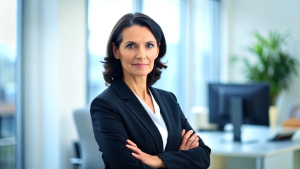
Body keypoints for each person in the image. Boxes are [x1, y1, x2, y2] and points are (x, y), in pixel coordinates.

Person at [90, 12, 211, 169]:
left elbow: (203, 156)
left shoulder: (168, 100)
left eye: (149, 45)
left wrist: (158, 161)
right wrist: (179, 159)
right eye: (131, 45)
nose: (141, 55)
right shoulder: (105, 105)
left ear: (157, 50)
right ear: (116, 51)